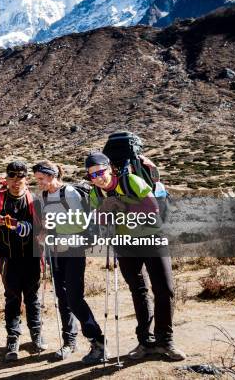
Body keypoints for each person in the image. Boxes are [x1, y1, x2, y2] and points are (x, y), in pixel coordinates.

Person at [85, 151, 186, 361]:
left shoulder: (130, 180)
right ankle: (145, 342)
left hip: (151, 238)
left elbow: (152, 208)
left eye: (100, 172)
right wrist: (105, 210)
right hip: (125, 244)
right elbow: (99, 219)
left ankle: (165, 341)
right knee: (138, 291)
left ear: (110, 168)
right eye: (92, 175)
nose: (97, 178)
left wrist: (121, 206)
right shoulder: (95, 193)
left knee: (164, 289)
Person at [32, 160, 107, 363]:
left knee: (74, 298)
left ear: (51, 176)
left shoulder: (70, 193)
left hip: (73, 251)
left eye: (40, 179)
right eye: (37, 180)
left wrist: (54, 229)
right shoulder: (45, 195)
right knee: (62, 299)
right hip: (55, 253)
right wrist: (44, 233)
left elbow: (79, 223)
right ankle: (69, 342)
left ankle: (98, 342)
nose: (38, 183)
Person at [0, 161, 46, 362]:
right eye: (12, 177)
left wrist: (27, 227)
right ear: (6, 179)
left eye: (21, 177)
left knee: (32, 298)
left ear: (27, 179)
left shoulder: (34, 200)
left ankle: (36, 333)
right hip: (9, 259)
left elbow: (43, 230)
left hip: (31, 257)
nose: (16, 182)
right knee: (12, 299)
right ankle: (13, 338)